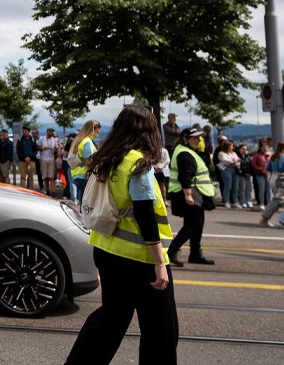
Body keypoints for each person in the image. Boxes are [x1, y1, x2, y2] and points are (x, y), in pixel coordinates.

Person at [63, 104, 177, 365]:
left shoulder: (109, 158)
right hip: (140, 258)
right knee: (161, 330)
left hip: (106, 251)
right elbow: (146, 214)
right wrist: (160, 262)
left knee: (110, 321)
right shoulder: (138, 163)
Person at [167, 127, 216, 266]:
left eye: (199, 137)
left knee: (196, 225)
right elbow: (185, 175)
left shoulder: (189, 151)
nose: (198, 140)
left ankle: (195, 254)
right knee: (194, 225)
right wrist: (188, 195)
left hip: (195, 192)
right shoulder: (184, 153)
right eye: (195, 137)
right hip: (189, 193)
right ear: (185, 139)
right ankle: (171, 251)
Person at [70, 120, 101, 204]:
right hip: (85, 175)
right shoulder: (87, 142)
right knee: (86, 205)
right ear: (92, 130)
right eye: (97, 132)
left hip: (77, 174)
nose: (97, 135)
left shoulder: (79, 140)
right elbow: (89, 161)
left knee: (82, 203)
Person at [259, 141, 284, 227]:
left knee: (277, 199)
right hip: (281, 179)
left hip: (273, 178)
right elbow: (281, 167)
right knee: (277, 200)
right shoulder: (282, 156)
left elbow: (268, 167)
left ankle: (265, 219)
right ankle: (265, 219)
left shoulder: (274, 156)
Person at [37, 126, 62, 197]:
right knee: (45, 177)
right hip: (43, 159)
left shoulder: (54, 140)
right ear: (47, 131)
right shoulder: (41, 139)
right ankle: (47, 191)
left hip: (51, 159)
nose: (52, 133)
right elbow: (37, 147)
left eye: (53, 131)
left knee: (51, 177)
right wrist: (42, 148)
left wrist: (56, 151)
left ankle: (53, 191)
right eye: (50, 131)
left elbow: (57, 148)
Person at [215, 139, 241, 208]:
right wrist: (233, 161)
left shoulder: (234, 153)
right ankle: (226, 201)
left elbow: (238, 161)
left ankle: (235, 201)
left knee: (235, 187)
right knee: (228, 186)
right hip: (226, 170)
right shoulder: (221, 153)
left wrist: (233, 161)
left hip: (235, 170)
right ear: (227, 146)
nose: (232, 147)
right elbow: (225, 161)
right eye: (231, 146)